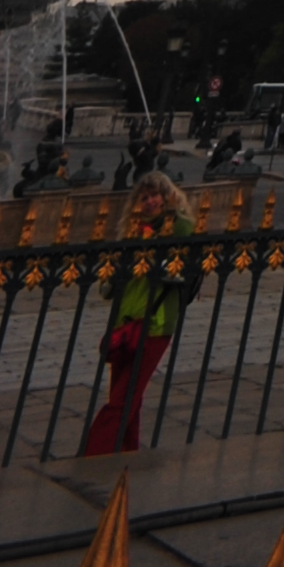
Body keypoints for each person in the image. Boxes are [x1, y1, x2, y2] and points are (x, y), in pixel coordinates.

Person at [81, 184, 196, 454]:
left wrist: (173, 210)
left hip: (155, 323)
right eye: (143, 198)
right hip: (125, 323)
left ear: (166, 197)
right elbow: (111, 286)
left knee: (123, 398)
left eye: (154, 195)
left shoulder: (176, 228)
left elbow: (186, 233)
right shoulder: (133, 232)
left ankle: (94, 453)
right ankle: (126, 451)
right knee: (125, 396)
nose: (149, 202)